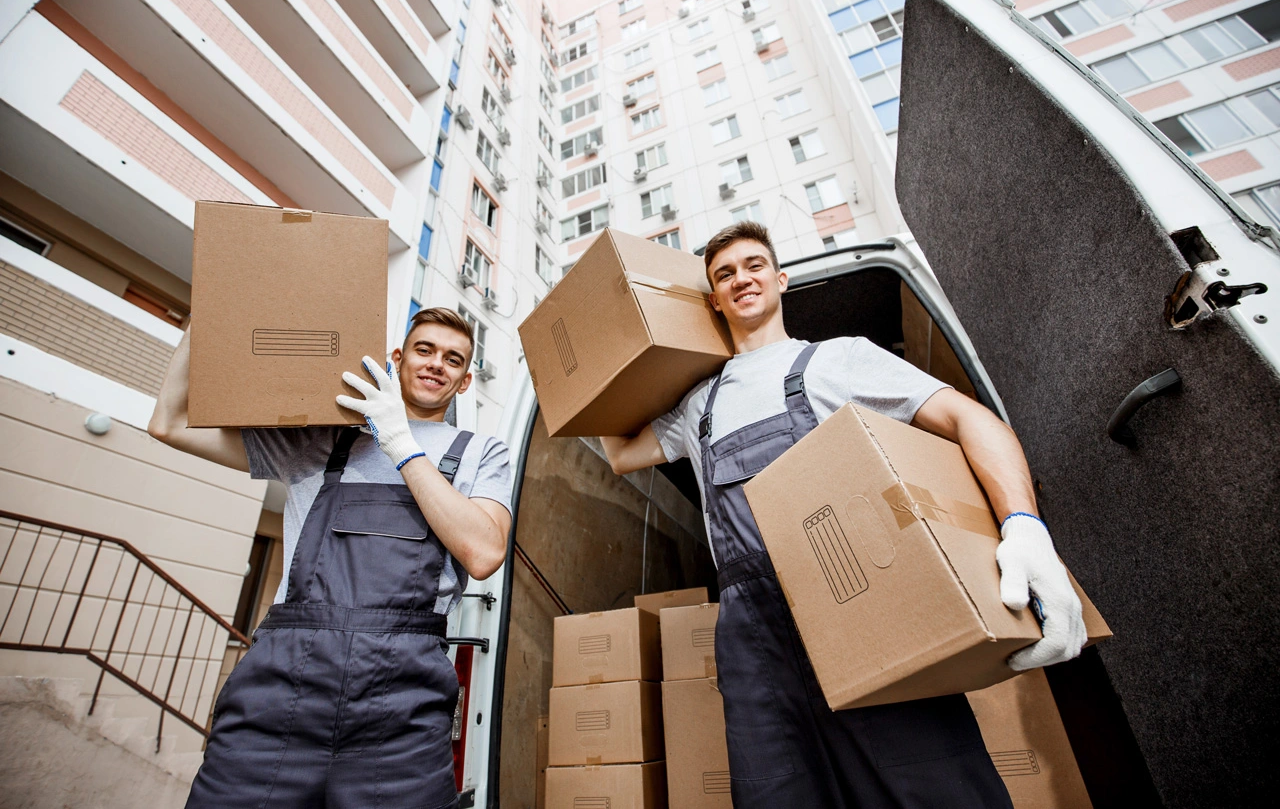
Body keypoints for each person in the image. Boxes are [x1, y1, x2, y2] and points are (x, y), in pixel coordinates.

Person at [600, 222, 1086, 808]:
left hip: (862, 604)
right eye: (724, 274)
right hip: (753, 642)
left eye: (753, 265)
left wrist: (1024, 528)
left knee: (931, 786)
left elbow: (970, 420)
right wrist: (610, 352)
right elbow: (623, 452)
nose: (740, 279)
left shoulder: (838, 361)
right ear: (713, 299)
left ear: (780, 280)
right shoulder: (698, 404)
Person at [149, 307, 512, 809]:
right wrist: (204, 316)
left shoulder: (482, 453)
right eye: (424, 350)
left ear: (466, 381)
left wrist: (400, 442)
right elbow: (169, 425)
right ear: (397, 358)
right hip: (279, 695)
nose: (436, 365)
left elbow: (485, 552)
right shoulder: (320, 438)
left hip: (402, 709)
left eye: (453, 359)